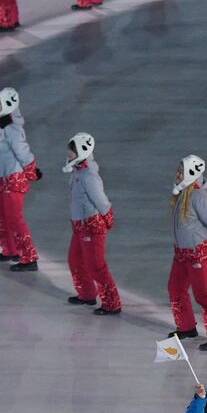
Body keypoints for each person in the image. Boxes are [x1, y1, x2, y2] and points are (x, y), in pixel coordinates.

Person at [169, 155, 207, 350]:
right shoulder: (183, 193)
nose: (177, 175)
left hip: (197, 253)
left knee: (203, 294)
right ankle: (186, 326)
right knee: (175, 288)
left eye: (181, 172)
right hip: (182, 253)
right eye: (177, 171)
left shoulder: (198, 196)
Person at [64, 133, 121, 315]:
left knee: (96, 265)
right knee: (75, 259)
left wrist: (107, 217)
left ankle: (112, 303)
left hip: (91, 225)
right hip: (80, 225)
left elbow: (101, 200)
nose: (68, 154)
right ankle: (87, 293)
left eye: (71, 151)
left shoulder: (88, 176)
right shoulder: (77, 172)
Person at [0, 87, 41, 270]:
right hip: (5, 180)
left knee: (14, 218)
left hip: (14, 179)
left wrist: (32, 171)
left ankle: (29, 257)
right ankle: (10, 249)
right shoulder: (4, 126)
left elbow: (23, 152)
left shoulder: (12, 129)